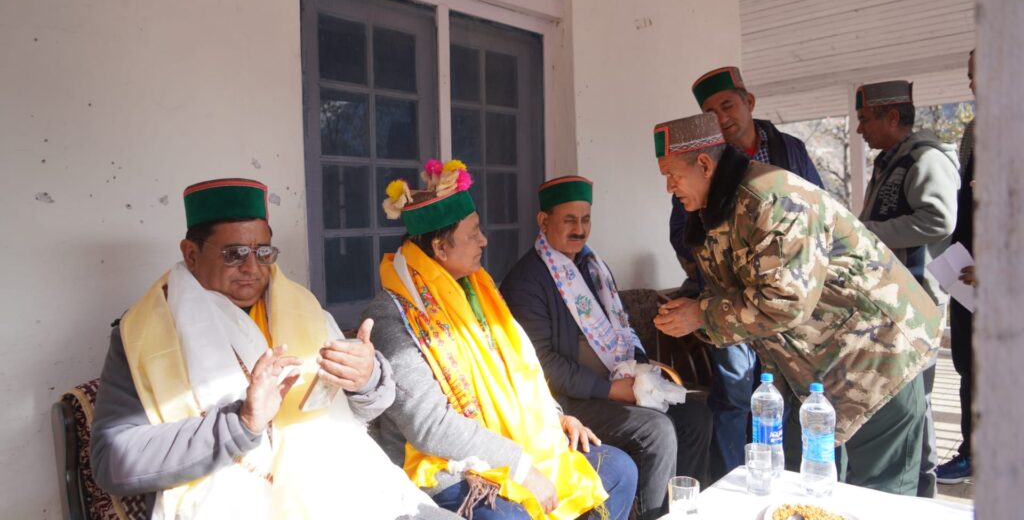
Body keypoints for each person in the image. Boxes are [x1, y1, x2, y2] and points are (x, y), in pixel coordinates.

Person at [90, 178, 452, 520]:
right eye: (233, 253)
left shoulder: (300, 308)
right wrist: (241, 423)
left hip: (344, 485)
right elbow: (112, 461)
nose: (252, 268)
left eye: (263, 252)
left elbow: (350, 415)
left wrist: (368, 380)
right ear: (191, 254)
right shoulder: (148, 335)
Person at [651, 113, 942, 495]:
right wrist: (694, 314)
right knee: (819, 492)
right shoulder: (717, 210)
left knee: (880, 497)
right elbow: (740, 292)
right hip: (822, 370)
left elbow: (785, 301)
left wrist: (701, 314)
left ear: (704, 164)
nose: (669, 187)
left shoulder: (772, 198)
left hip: (878, 358)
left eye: (672, 175)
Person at [365, 160, 637, 520]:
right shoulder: (396, 314)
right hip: (448, 466)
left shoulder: (478, 290)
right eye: (473, 233)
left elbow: (518, 368)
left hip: (516, 443)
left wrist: (556, 417)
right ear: (441, 249)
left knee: (618, 470)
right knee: (509, 517)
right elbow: (429, 427)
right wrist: (522, 468)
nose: (484, 240)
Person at [500, 176, 712, 520]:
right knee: (656, 431)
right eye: (569, 220)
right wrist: (611, 390)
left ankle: (682, 512)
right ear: (544, 221)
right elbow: (542, 365)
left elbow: (622, 328)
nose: (580, 229)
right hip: (569, 401)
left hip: (615, 384)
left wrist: (639, 373)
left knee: (695, 417)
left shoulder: (593, 266)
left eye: (585, 219)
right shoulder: (526, 281)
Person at [670, 66, 824, 480]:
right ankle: (731, 482)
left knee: (785, 394)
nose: (721, 118)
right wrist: (716, 273)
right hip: (726, 301)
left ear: (748, 102)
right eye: (710, 112)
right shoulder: (703, 162)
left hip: (783, 299)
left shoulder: (789, 150)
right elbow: (683, 230)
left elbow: (818, 211)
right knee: (734, 395)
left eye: (727, 105)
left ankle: (783, 480)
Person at [856, 80, 960, 497]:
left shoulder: (926, 158)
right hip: (891, 302)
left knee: (916, 403)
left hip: (916, 303)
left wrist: (867, 233)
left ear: (893, 117)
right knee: (904, 402)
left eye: (865, 118)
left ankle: (921, 492)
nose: (860, 128)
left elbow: (939, 219)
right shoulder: (891, 162)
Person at [936, 51, 977, 484]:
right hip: (967, 278)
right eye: (971, 76)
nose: (973, 84)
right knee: (969, 367)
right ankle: (972, 453)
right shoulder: (975, 133)